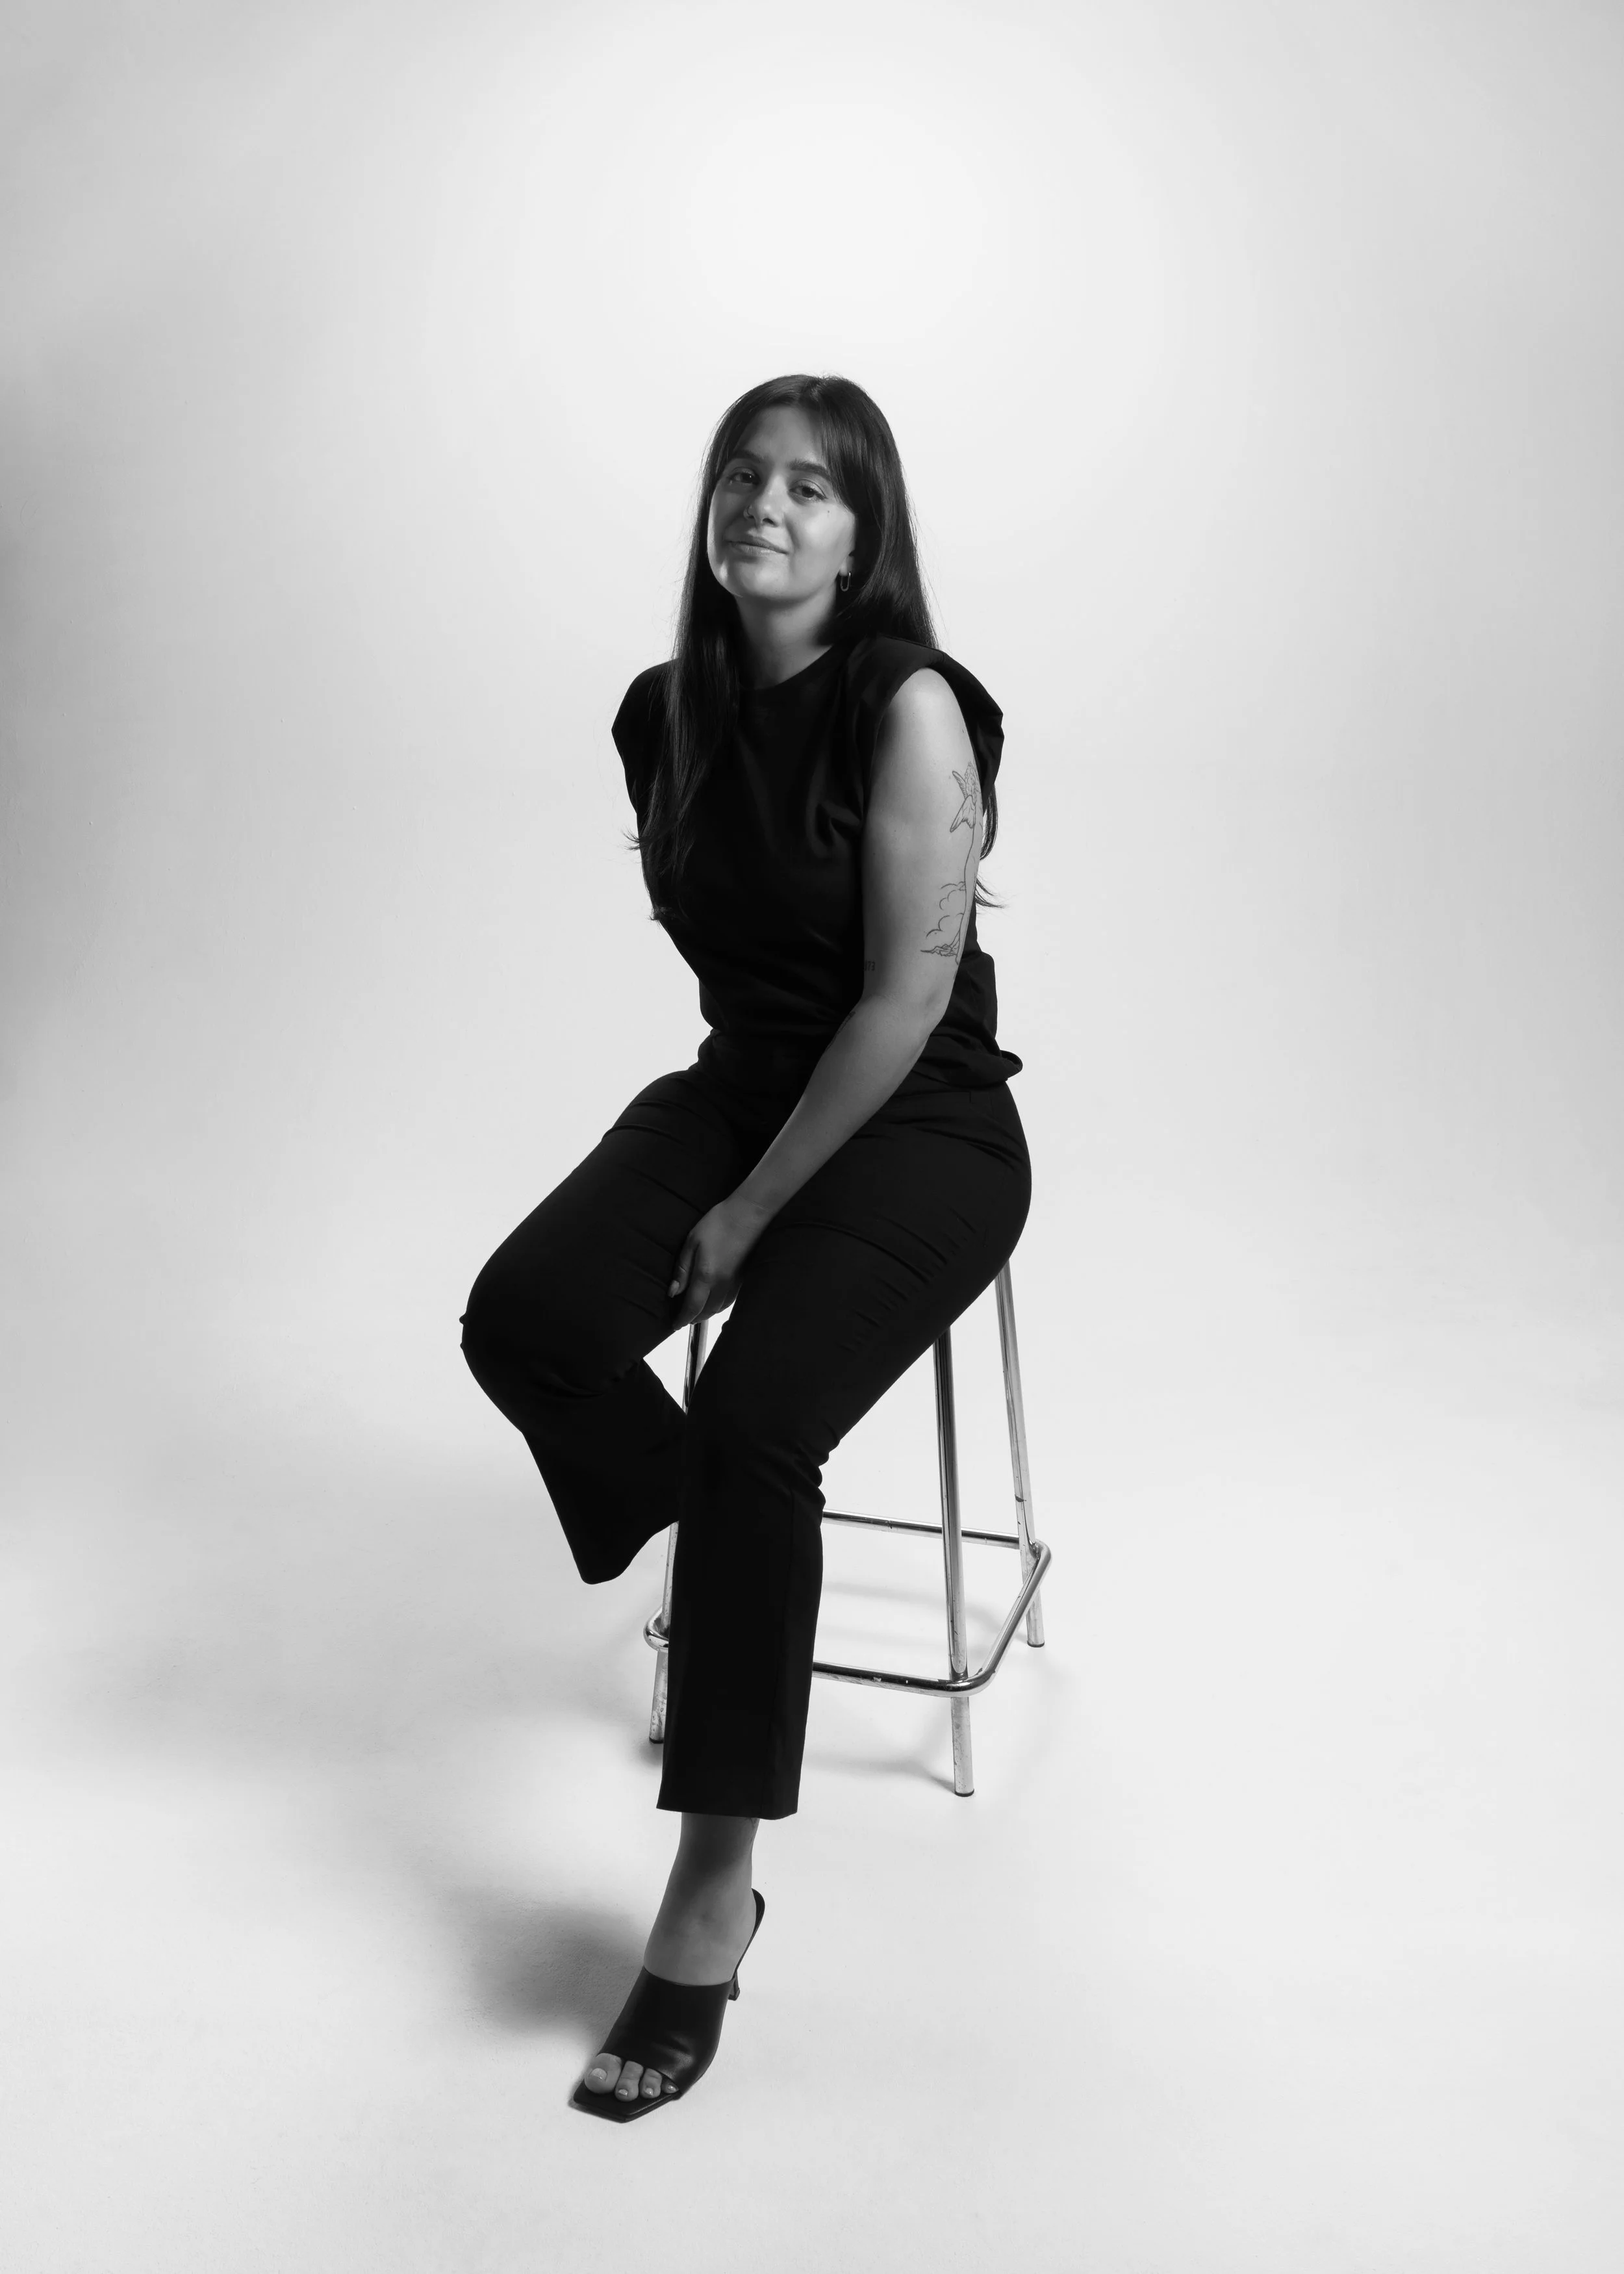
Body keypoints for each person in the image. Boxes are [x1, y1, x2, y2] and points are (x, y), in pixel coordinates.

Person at [459, 373, 1032, 2120]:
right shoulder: (664, 715)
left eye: (809, 486)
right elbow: (724, 951)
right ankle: (723, 1557)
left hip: (919, 1117)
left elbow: (898, 995)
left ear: (865, 535)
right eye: (740, 476)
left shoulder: (908, 704)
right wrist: (722, 1163)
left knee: (759, 1424)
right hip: (743, 1083)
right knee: (526, 1314)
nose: (765, 505)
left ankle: (710, 1890)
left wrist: (750, 1208)